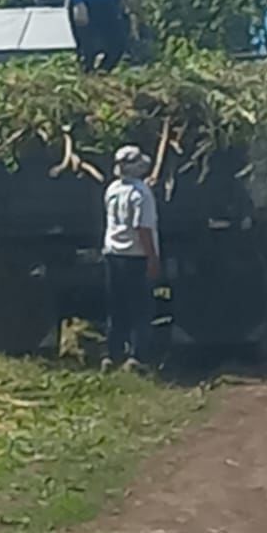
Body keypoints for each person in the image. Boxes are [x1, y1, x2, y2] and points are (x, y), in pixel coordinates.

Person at [102, 145, 159, 372]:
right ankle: (137, 358)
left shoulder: (112, 189)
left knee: (117, 308)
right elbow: (142, 229)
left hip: (112, 254)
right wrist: (152, 258)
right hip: (135, 257)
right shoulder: (142, 194)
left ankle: (111, 355)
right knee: (140, 309)